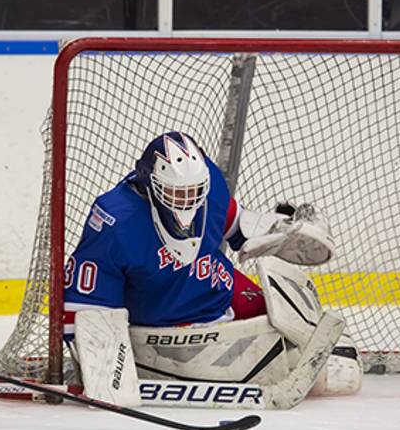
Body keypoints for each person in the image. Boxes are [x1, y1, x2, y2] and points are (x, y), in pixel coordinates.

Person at [62, 132, 361, 408]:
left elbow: (233, 221)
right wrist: (100, 368)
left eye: (195, 192)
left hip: (219, 288)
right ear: (150, 185)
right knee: (313, 369)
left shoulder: (212, 184)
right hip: (168, 325)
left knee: (338, 364)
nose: (188, 202)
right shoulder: (116, 220)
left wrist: (277, 230)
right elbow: (85, 309)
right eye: (178, 194)